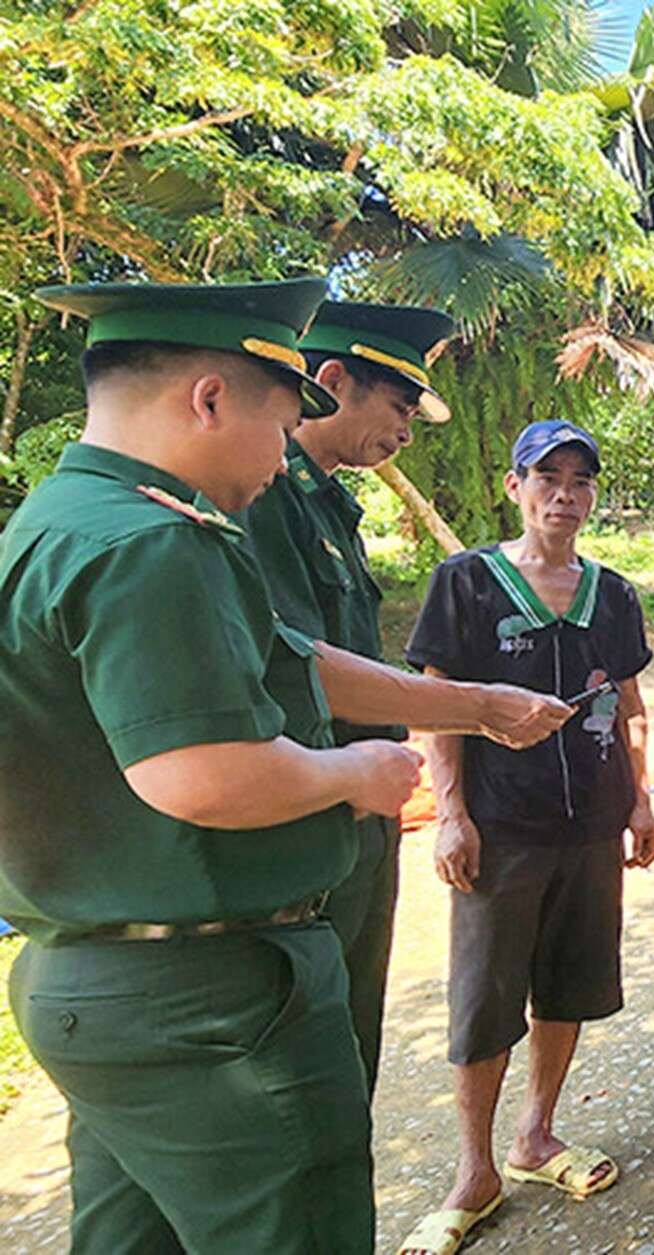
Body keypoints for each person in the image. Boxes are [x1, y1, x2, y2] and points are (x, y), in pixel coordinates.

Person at [0, 279, 566, 1255]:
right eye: (278, 417)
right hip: (207, 988)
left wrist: (474, 707)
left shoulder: (61, 520)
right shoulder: (153, 541)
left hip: (106, 972)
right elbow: (198, 772)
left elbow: (282, 653)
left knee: (131, 1233)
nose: (280, 449)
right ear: (210, 397)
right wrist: (358, 776)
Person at [398, 419, 654, 1254]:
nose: (565, 494)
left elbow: (627, 702)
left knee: (570, 984)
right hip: (500, 829)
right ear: (515, 486)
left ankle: (536, 1136)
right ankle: (473, 1171)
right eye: (548, 476)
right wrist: (451, 811)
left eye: (581, 480)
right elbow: (435, 702)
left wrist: (642, 801)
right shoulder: (467, 582)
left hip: (590, 826)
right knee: (484, 1001)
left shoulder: (612, 593)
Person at [236, 299, 456, 1096]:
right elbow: (295, 661)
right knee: (305, 1057)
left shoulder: (332, 504)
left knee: (352, 1029)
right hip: (312, 809)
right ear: (329, 381)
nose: (404, 432)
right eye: (398, 408)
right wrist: (474, 706)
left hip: (365, 806)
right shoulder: (264, 499)